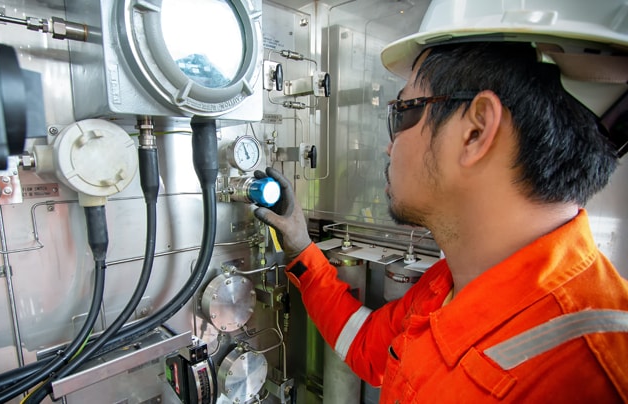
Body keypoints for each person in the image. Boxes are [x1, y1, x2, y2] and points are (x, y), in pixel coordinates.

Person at [254, 0, 628, 402]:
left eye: (402, 112)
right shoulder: (453, 282)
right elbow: (365, 345)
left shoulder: (588, 378)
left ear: (475, 131)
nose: (388, 148)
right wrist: (301, 248)